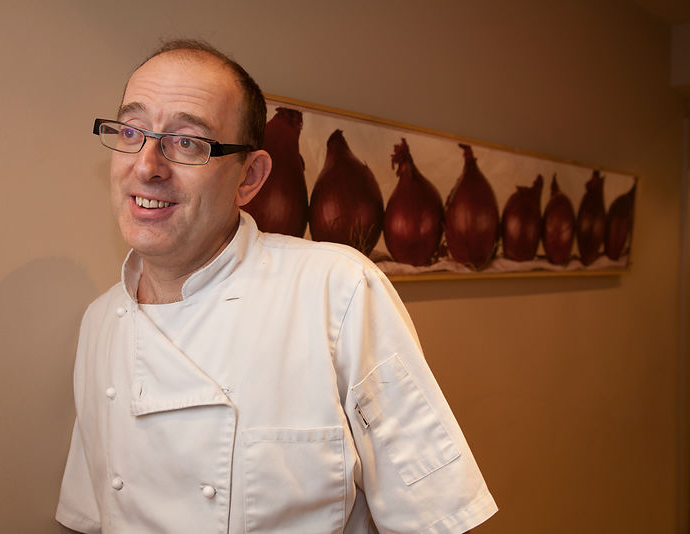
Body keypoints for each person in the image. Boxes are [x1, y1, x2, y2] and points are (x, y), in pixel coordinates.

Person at [56, 39, 497, 534]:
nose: (146, 166)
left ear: (249, 178)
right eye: (131, 130)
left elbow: (436, 518)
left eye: (187, 142)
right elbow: (87, 516)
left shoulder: (340, 292)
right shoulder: (99, 323)